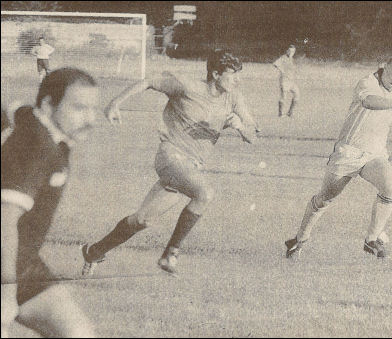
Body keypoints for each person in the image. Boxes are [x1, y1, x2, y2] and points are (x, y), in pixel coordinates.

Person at [81, 49, 259, 276]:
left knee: (142, 220)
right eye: (232, 74)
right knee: (204, 193)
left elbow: (253, 135)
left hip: (190, 167)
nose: (237, 79)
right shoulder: (187, 87)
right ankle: (170, 254)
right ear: (215, 74)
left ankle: (94, 251)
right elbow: (148, 82)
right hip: (170, 156)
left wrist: (240, 126)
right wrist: (115, 103)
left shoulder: (233, 98)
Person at [284, 54, 392, 259]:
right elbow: (370, 102)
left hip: (374, 154)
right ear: (384, 68)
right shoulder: (367, 82)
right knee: (325, 198)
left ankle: (371, 239)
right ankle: (300, 239)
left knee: (390, 188)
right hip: (347, 153)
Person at [1, 68, 99, 337]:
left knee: (78, 333)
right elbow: (4, 222)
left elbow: (13, 107)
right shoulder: (38, 149)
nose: (90, 119)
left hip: (23, 263)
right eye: (79, 108)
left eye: (93, 109)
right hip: (5, 267)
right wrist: (5, 293)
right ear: (48, 104)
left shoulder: (33, 119)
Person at [273, 45, 299, 117]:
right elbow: (275, 63)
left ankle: (290, 112)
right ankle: (280, 114)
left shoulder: (292, 59)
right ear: (287, 51)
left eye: (293, 51)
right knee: (283, 97)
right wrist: (282, 71)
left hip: (291, 81)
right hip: (284, 81)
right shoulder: (283, 58)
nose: (291, 53)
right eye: (290, 51)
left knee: (297, 94)